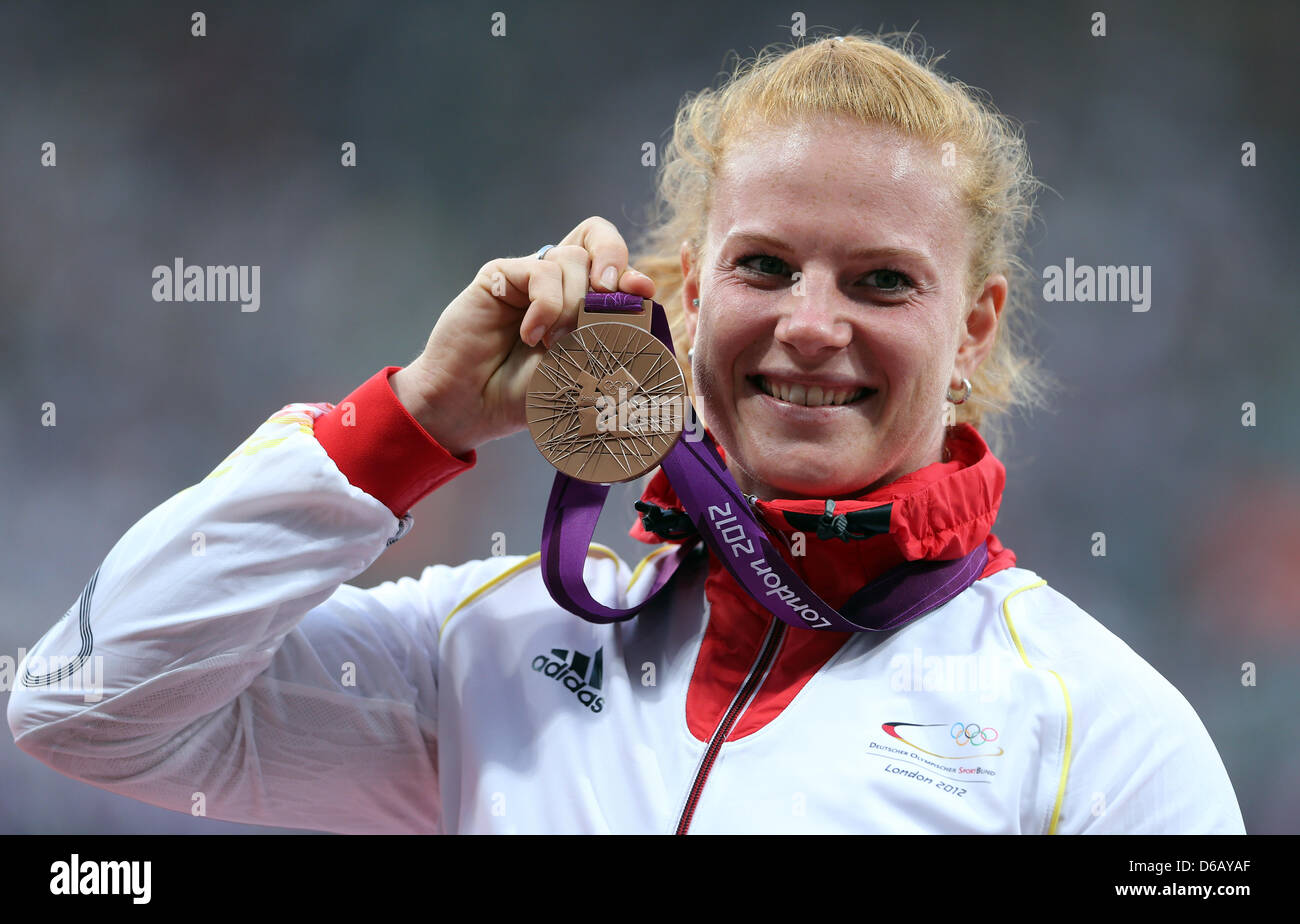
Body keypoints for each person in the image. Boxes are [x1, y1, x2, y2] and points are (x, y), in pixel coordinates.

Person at [8, 33, 1244, 834]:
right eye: (764, 266)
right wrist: (410, 421)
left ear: (972, 330)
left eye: (881, 283)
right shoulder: (486, 649)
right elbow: (79, 707)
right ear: (689, 295)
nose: (812, 327)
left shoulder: (1098, 730)